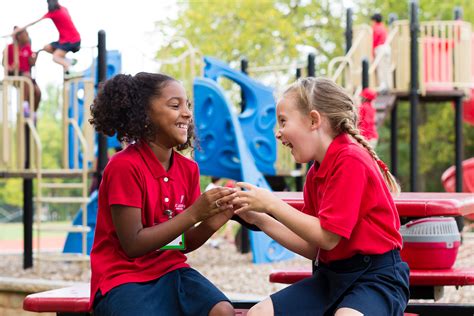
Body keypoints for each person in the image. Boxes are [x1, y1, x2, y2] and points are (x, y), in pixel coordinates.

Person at [234, 77, 409, 315]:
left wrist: (271, 203)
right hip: (330, 277)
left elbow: (328, 238)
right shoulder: (316, 172)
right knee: (259, 313)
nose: (278, 133)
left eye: (283, 121)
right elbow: (313, 246)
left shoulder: (350, 160)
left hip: (375, 279)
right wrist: (259, 219)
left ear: (314, 120)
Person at [88, 72, 235, 316]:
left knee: (222, 310)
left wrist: (211, 223)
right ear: (144, 115)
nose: (187, 113)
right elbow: (133, 244)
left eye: (187, 105)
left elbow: (180, 243)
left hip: (170, 271)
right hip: (123, 277)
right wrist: (194, 213)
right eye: (175, 105)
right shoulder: (124, 166)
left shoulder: (188, 170)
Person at [14, 0, 81, 75]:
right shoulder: (63, 9)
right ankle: (69, 61)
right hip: (66, 40)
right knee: (46, 47)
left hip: (72, 41)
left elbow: (34, 22)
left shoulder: (53, 13)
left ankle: (69, 69)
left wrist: (18, 30)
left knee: (55, 57)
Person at [3, 27, 42, 112]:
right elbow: (4, 63)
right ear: (19, 36)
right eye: (25, 33)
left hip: (27, 76)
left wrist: (37, 54)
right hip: (15, 75)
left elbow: (32, 63)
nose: (27, 35)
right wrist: (10, 67)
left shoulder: (27, 47)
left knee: (37, 92)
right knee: (26, 79)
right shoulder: (9, 48)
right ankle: (24, 105)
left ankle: (33, 113)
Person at [371, 13, 392, 93]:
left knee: (381, 68)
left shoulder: (375, 28)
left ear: (374, 20)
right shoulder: (383, 27)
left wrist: (372, 52)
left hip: (380, 48)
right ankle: (388, 85)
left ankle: (383, 86)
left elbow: (374, 41)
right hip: (387, 48)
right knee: (387, 67)